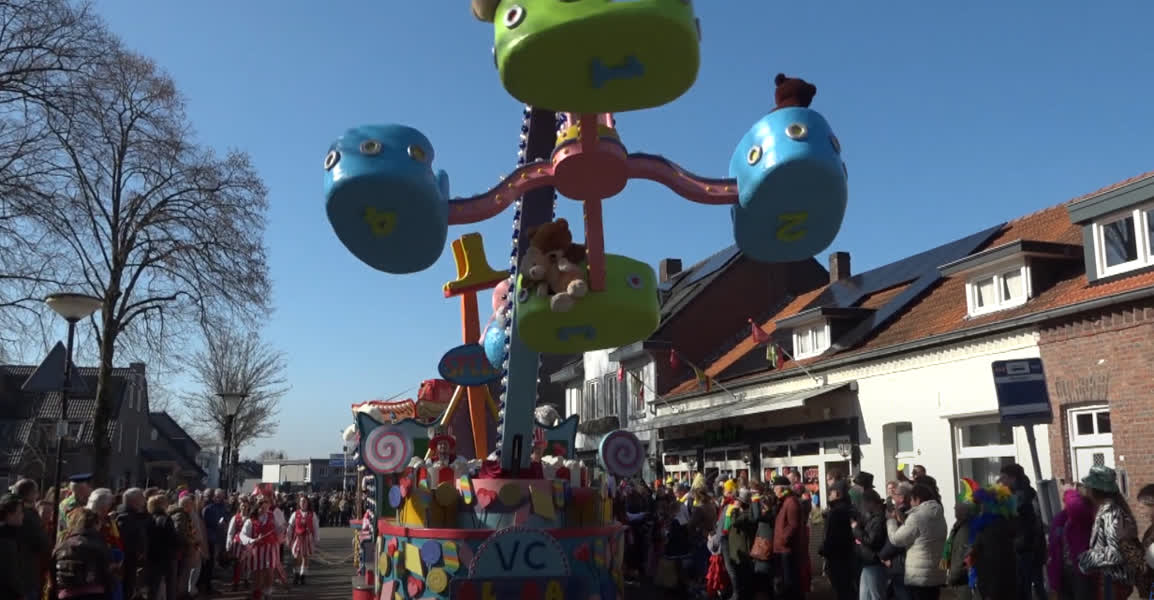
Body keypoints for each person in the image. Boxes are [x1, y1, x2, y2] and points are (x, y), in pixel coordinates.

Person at [1077, 465, 1138, 600]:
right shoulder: (1107, 510)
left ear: (1095, 490)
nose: (1086, 489)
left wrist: (1087, 558)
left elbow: (1115, 553)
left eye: (1088, 486)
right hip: (1112, 579)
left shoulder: (1110, 514)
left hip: (1112, 580)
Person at [885, 483, 947, 600]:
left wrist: (891, 521)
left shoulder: (917, 517)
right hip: (936, 573)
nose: (910, 503)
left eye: (911, 500)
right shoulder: (939, 515)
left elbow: (897, 539)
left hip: (919, 576)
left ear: (917, 499)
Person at [998, 464, 1046, 600]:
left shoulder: (1021, 496)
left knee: (1024, 587)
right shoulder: (1027, 493)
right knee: (1035, 586)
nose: (1001, 481)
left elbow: (1020, 521)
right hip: (1030, 547)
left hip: (1024, 548)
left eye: (1003, 478)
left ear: (1012, 478)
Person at [51, 509, 114, 600]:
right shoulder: (99, 545)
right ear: (95, 524)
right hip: (94, 594)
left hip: (66, 594)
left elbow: (53, 575)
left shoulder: (61, 546)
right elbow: (108, 574)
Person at [1048, 486, 1095, 600]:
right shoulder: (1060, 519)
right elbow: (1053, 547)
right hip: (1064, 571)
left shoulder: (1081, 518)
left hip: (1078, 570)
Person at [10, 480, 47, 600]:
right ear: (30, 494)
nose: (38, 495)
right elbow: (42, 543)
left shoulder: (9, 512)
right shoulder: (29, 516)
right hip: (26, 574)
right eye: (36, 492)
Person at [820, 480, 856, 600]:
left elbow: (832, 535)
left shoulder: (836, 511)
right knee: (847, 587)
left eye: (831, 493)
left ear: (837, 494)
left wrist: (825, 549)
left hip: (837, 555)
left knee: (842, 588)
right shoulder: (847, 508)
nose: (829, 495)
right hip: (846, 554)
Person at [772, 475, 805, 600]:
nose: (774, 490)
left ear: (782, 488)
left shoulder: (791, 502)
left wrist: (783, 540)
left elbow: (793, 525)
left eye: (775, 488)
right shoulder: (784, 501)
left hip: (786, 550)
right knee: (785, 582)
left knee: (790, 582)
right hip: (781, 549)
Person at [241, 498, 280, 600]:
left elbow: (278, 528)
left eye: (266, 505)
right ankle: (257, 595)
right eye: (261, 506)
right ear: (257, 507)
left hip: (270, 549)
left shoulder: (272, 516)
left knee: (269, 572)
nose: (264, 508)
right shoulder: (250, 521)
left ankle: (267, 594)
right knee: (258, 575)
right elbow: (242, 535)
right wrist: (252, 540)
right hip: (256, 551)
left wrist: (282, 530)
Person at [852, 489, 888, 600]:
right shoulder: (873, 518)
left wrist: (856, 529)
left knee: (876, 595)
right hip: (868, 562)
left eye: (864, 503)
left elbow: (871, 541)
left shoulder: (879, 519)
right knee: (865, 596)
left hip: (874, 563)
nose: (864, 507)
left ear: (871, 502)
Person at [115, 488, 148, 600]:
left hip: (134, 563)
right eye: (142, 498)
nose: (144, 501)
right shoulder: (125, 518)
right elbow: (127, 543)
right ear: (135, 501)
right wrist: (137, 553)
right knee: (127, 591)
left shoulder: (136, 515)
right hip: (128, 563)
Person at [146, 495, 179, 600]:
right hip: (167, 556)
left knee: (153, 587)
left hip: (152, 556)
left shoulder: (148, 519)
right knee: (170, 586)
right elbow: (172, 538)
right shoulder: (166, 519)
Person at [286, 496, 319, 585]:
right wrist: (288, 538)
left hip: (308, 538)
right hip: (298, 538)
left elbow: (316, 527)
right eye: (301, 501)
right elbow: (290, 527)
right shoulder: (295, 514)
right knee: (297, 557)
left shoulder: (312, 514)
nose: (303, 503)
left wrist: (316, 539)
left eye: (304, 501)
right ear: (299, 503)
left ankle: (303, 575)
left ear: (307, 503)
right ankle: (296, 574)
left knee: (306, 557)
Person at [202, 490, 228, 595]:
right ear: (213, 497)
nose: (220, 499)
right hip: (210, 539)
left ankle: (209, 585)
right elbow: (206, 523)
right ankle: (206, 586)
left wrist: (225, 522)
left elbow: (225, 517)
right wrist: (217, 524)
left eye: (221, 497)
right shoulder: (208, 508)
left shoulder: (222, 507)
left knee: (213, 563)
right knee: (208, 563)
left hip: (218, 537)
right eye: (218, 496)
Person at [0, 494, 26, 600]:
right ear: (9, 515)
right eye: (20, 512)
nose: (22, 515)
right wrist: (20, 593)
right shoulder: (6, 538)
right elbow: (11, 573)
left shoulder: (13, 534)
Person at [227, 497, 253, 591]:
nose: (244, 508)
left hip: (248, 543)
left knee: (248, 563)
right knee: (237, 563)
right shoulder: (235, 517)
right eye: (242, 506)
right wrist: (228, 545)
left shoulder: (251, 518)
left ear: (248, 507)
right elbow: (230, 532)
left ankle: (246, 579)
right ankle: (236, 582)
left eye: (246, 506)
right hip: (237, 543)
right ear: (240, 506)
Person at [56, 474, 92, 541]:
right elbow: (76, 525)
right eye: (88, 487)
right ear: (80, 490)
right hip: (69, 540)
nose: (90, 490)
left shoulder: (68, 502)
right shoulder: (71, 505)